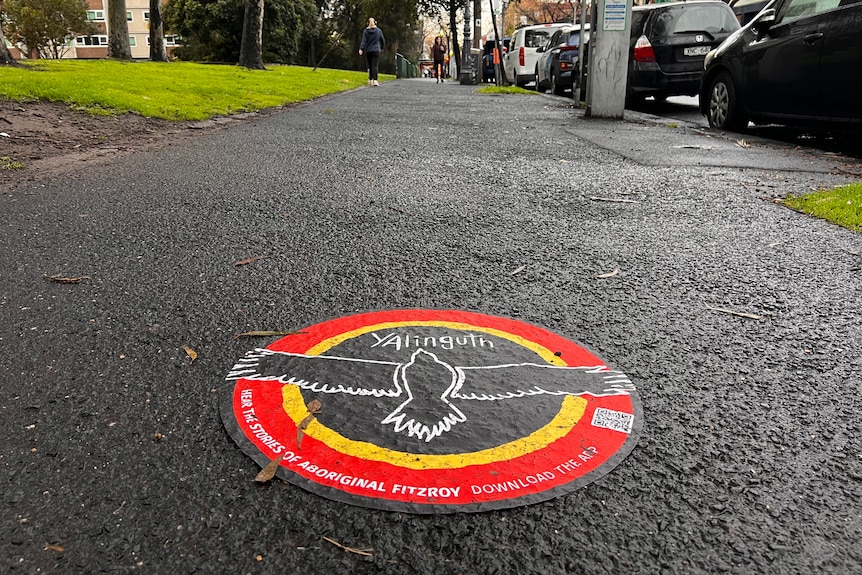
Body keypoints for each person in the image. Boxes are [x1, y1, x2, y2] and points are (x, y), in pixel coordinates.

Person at [358, 18, 385, 87]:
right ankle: (375, 80)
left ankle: (370, 80)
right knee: (375, 65)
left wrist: (361, 49)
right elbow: (382, 40)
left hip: (368, 50)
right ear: (375, 23)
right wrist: (382, 47)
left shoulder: (365, 31)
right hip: (376, 50)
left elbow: (363, 41)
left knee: (369, 66)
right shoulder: (378, 31)